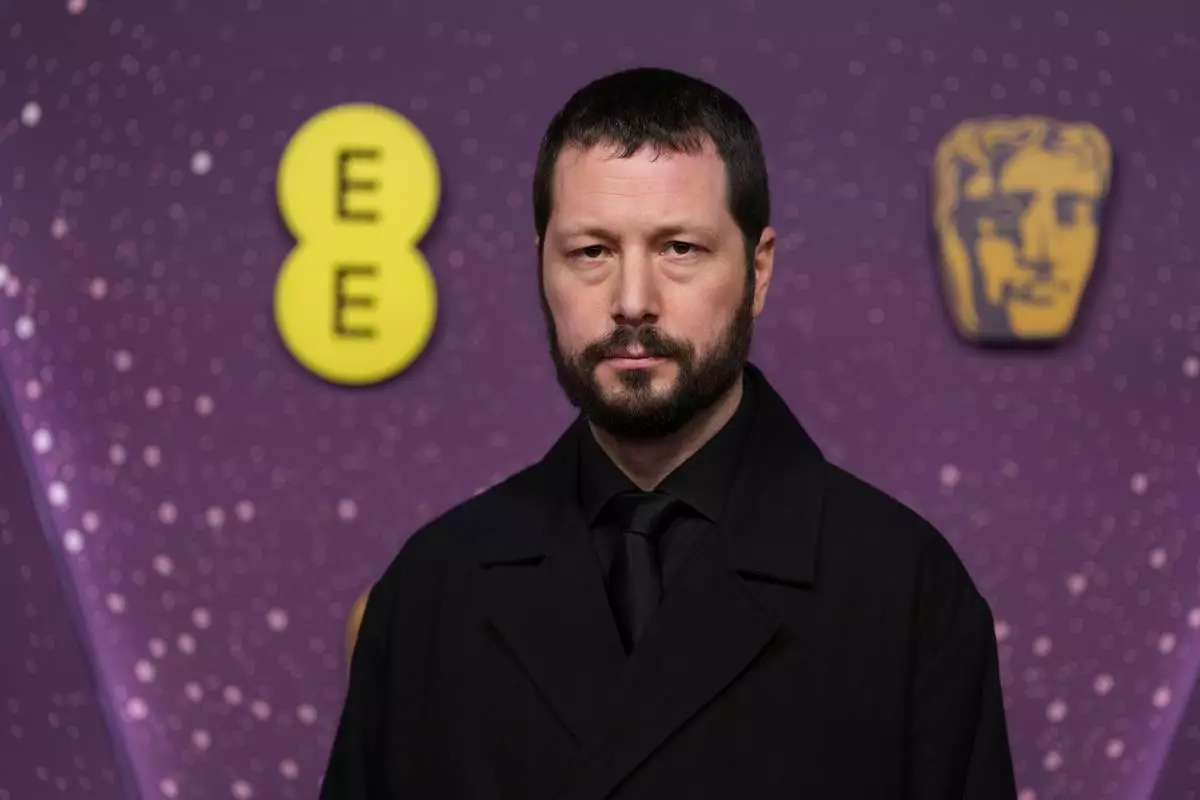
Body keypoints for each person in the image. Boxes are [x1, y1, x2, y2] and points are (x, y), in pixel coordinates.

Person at [319, 66, 1018, 799]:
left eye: (679, 248)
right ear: (541, 270)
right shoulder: (434, 591)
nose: (631, 301)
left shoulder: (905, 592)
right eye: (591, 251)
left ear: (759, 269)